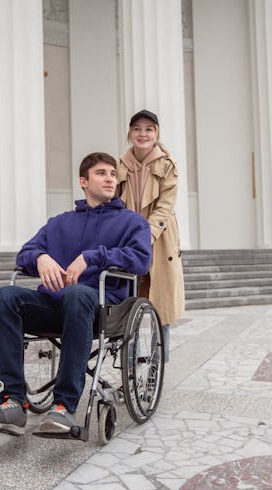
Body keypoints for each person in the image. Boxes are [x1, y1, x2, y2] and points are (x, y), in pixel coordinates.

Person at [0, 152, 151, 436]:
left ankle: (64, 407)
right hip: (56, 305)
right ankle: (13, 402)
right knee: (5, 295)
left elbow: (141, 260)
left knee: (77, 294)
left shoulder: (132, 222)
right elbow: (25, 252)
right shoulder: (59, 223)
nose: (110, 178)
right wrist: (40, 258)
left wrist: (92, 257)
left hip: (101, 308)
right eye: (101, 173)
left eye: (113, 174)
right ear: (83, 181)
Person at [117, 109, 185, 361]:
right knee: (127, 301)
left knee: (160, 304)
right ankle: (129, 362)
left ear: (156, 134)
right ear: (130, 133)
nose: (142, 134)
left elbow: (165, 206)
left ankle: (158, 364)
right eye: (137, 129)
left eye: (149, 129)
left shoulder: (167, 165)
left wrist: (148, 234)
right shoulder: (120, 164)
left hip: (159, 239)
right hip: (126, 238)